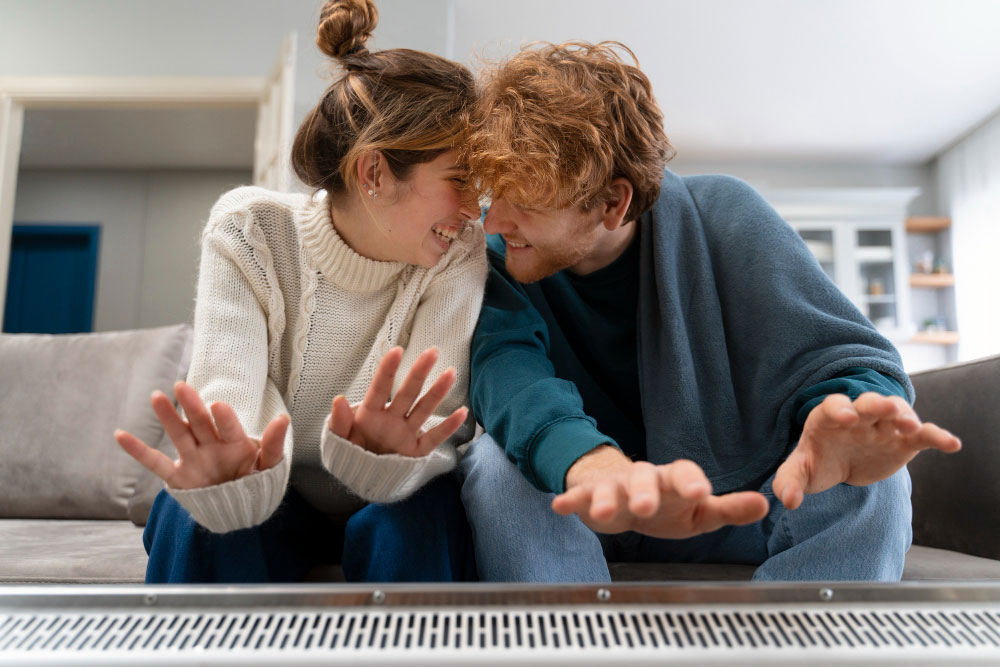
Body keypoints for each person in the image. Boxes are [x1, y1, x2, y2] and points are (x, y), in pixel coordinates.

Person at [458, 41, 961, 582]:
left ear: (612, 203)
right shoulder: (491, 258)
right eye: (495, 195)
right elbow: (506, 370)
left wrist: (855, 412)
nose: (493, 222)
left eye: (525, 203)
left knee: (873, 483)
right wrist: (596, 470)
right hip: (585, 501)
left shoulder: (729, 214)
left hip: (733, 506)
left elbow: (844, 359)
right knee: (494, 465)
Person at [114, 0, 486, 583]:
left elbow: (431, 426)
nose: (473, 208)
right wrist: (231, 478)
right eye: (460, 180)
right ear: (374, 173)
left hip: (399, 495)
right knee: (190, 519)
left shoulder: (459, 252)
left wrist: (387, 458)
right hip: (275, 489)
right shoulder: (250, 231)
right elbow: (229, 393)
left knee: (421, 521)